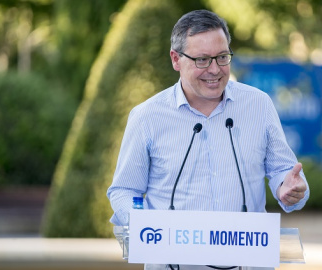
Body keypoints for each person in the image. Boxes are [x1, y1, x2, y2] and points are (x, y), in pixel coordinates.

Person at [107, 9, 309, 270]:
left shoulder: (259, 105)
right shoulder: (147, 117)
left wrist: (290, 189)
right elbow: (124, 190)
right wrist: (148, 226)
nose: (215, 70)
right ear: (176, 59)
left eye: (222, 57)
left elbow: (284, 171)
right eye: (202, 60)